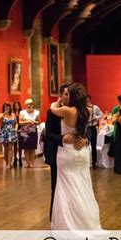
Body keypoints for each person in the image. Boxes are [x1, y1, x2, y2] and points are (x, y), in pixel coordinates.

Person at [50, 83, 106, 237]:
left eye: (67, 94)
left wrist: (57, 100)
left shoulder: (66, 110)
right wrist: (85, 139)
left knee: (66, 188)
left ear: (72, 96)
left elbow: (52, 109)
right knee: (83, 186)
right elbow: (89, 130)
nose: (64, 96)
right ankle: (86, 222)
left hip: (68, 152)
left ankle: (70, 224)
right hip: (81, 152)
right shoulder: (88, 110)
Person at [44, 83, 87, 221]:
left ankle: (76, 219)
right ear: (61, 96)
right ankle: (56, 221)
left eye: (70, 94)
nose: (69, 97)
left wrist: (86, 140)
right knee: (57, 189)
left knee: (77, 187)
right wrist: (62, 139)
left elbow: (89, 130)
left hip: (76, 154)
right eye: (66, 94)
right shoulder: (52, 112)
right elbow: (48, 135)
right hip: (58, 154)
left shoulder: (79, 110)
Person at [0, 102, 18, 169]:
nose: (7, 108)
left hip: (11, 131)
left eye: (8, 106)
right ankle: (6, 162)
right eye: (5, 107)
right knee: (6, 149)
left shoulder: (13, 114)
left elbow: (16, 123)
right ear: (3, 108)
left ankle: (9, 163)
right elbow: (0, 120)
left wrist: (16, 128)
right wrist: (4, 113)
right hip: (4, 132)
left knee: (10, 148)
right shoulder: (1, 114)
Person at [19, 99, 40, 168]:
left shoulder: (37, 112)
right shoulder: (22, 112)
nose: (28, 105)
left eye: (30, 104)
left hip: (33, 132)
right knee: (26, 148)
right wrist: (28, 122)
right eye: (27, 104)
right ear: (25, 105)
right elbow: (20, 122)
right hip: (25, 133)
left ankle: (32, 163)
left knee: (32, 148)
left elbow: (39, 122)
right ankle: (27, 163)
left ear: (33, 105)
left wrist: (35, 122)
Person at [86, 95, 104, 168]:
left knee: (93, 145)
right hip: (86, 128)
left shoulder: (95, 107)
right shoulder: (83, 108)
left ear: (90, 99)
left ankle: (94, 162)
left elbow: (101, 115)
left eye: (87, 99)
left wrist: (95, 118)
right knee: (86, 145)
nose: (86, 101)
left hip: (93, 127)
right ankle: (87, 162)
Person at [12, 101, 23, 167]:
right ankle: (15, 158)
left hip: (21, 129)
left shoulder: (22, 113)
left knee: (20, 145)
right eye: (15, 105)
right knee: (15, 145)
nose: (16, 106)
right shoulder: (12, 113)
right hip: (14, 129)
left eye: (17, 105)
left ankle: (20, 158)